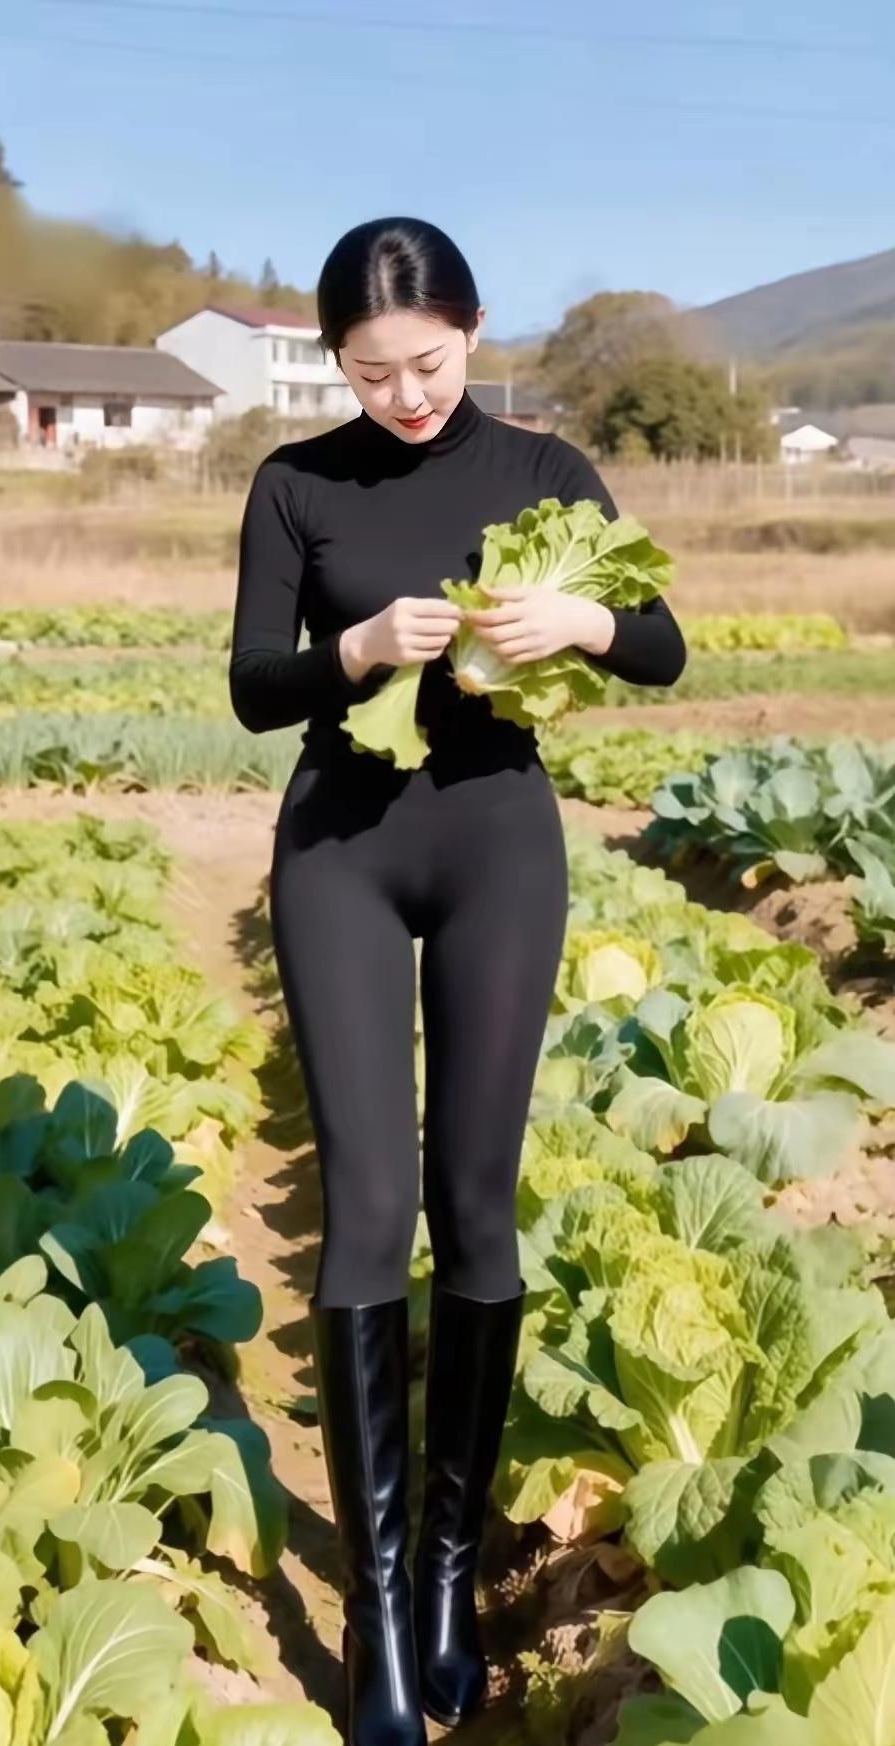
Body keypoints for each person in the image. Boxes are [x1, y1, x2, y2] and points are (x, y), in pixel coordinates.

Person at [228, 217, 686, 1746]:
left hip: (498, 840)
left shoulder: (546, 472)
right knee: (367, 1206)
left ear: (473, 336)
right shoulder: (295, 484)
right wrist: (351, 645)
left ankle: (440, 1570)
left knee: (475, 1205)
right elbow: (249, 686)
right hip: (340, 851)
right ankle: (373, 1614)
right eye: (370, 373)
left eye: (426, 365)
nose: (405, 395)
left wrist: (587, 621)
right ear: (334, 363)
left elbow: (666, 645)